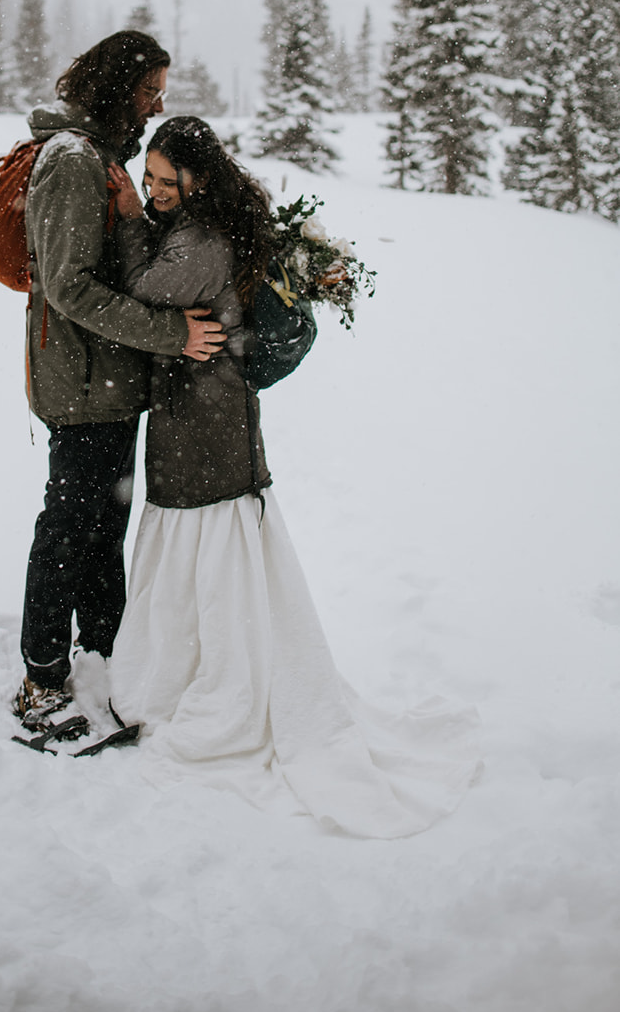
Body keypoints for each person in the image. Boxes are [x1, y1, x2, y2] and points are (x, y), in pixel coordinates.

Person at [106, 115, 480, 838]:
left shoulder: (201, 241)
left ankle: (216, 684)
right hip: (209, 423)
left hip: (207, 428)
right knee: (213, 563)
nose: (152, 193)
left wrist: (124, 222)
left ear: (199, 180)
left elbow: (142, 289)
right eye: (146, 181)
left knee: (209, 559)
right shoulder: (209, 225)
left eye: (163, 182)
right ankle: (202, 668)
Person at [13, 35, 227, 730]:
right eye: (148, 91)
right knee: (71, 526)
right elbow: (68, 285)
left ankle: (104, 657)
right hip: (80, 386)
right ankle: (42, 679)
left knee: (104, 525)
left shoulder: (103, 157)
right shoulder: (73, 161)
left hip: (107, 384)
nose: (157, 104)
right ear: (116, 87)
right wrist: (173, 336)